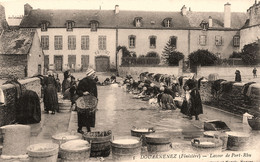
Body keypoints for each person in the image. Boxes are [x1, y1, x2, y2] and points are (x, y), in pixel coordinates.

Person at [76, 68, 98, 134]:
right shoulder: (82, 81)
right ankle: (80, 128)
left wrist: (95, 101)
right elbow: (77, 91)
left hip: (90, 100)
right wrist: (83, 93)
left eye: (94, 74)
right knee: (82, 114)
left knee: (89, 114)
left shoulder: (93, 82)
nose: (94, 75)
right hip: (82, 100)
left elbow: (95, 93)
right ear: (89, 75)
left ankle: (88, 129)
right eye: (92, 74)